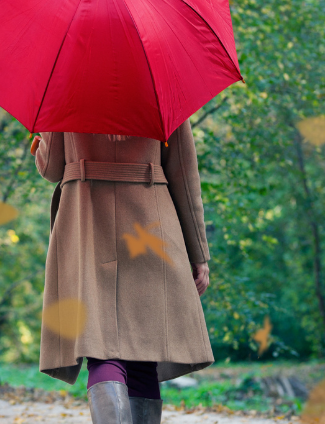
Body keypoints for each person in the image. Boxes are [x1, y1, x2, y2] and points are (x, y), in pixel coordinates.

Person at [31, 121, 213, 424]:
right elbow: (184, 174)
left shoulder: (67, 91)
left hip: (86, 222)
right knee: (144, 349)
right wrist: (199, 253)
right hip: (150, 223)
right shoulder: (162, 86)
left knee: (100, 348)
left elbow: (51, 168)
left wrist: (39, 143)